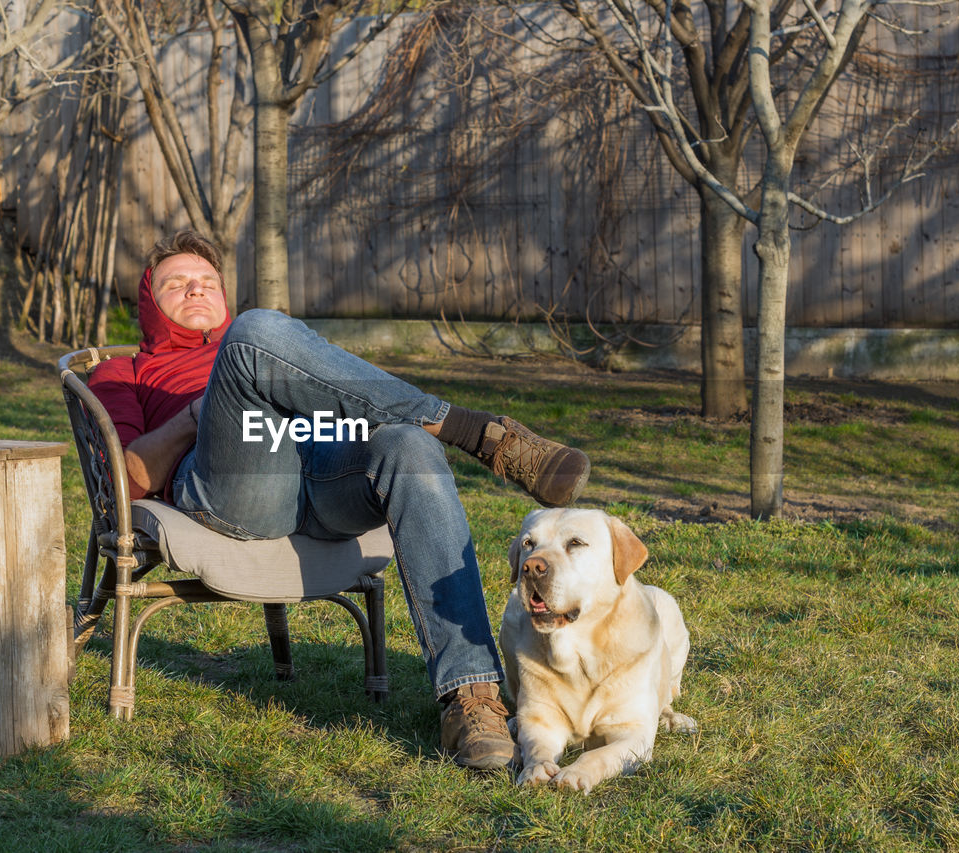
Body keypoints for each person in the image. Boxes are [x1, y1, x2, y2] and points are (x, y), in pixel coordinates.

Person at [89, 229, 590, 771]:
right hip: (236, 481)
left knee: (406, 445)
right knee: (255, 330)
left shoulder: (272, 352)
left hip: (318, 464)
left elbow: (329, 415)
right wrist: (202, 412)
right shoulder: (125, 370)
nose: (196, 290)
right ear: (149, 301)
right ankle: (474, 431)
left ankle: (470, 699)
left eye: (207, 281)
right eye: (176, 284)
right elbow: (124, 476)